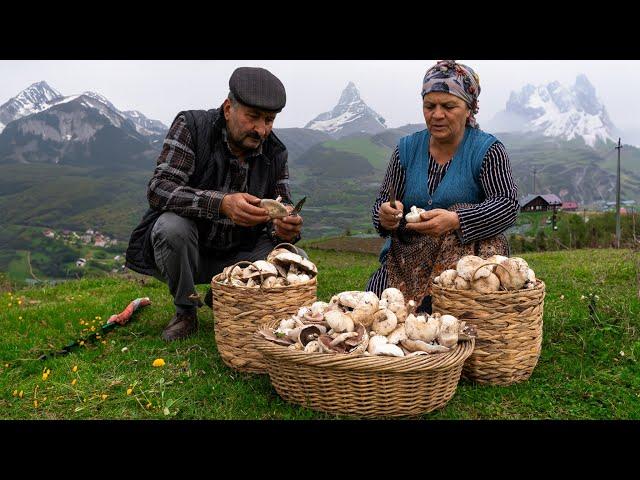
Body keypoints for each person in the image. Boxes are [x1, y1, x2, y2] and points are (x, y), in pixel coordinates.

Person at [125, 67, 304, 341]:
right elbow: (160, 189)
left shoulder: (275, 152)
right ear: (228, 107)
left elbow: (284, 202)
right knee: (172, 227)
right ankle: (185, 311)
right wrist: (220, 204)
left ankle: (225, 294)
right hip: (189, 254)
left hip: (239, 257)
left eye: (269, 120)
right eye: (253, 117)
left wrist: (285, 227)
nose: (261, 129)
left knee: (295, 258)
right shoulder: (192, 127)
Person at [366, 60, 519, 312]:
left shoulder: (487, 150)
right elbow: (381, 208)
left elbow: (507, 205)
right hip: (405, 258)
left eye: (448, 106)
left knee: (445, 319)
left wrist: (456, 219)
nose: (437, 114)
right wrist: (386, 216)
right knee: (376, 314)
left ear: (469, 109)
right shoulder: (406, 149)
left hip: (463, 260)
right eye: (429, 106)